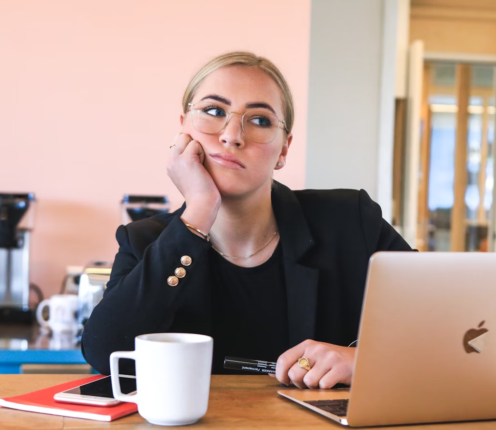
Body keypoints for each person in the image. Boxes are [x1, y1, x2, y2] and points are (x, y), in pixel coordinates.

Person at [81, 51, 412, 390]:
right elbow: (105, 353)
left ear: (284, 149)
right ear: (183, 129)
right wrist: (198, 211)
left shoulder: (350, 221)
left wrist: (365, 361)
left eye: (260, 120)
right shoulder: (144, 241)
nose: (232, 135)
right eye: (214, 112)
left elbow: (448, 325)